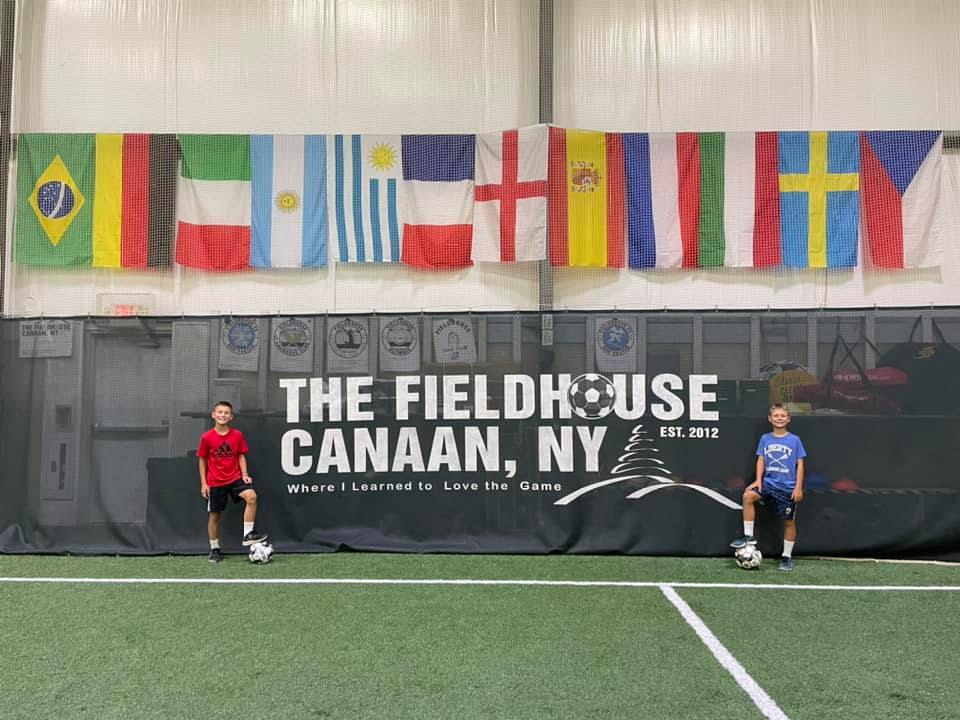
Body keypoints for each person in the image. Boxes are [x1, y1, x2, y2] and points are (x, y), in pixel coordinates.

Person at [730, 403, 806, 571]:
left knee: (788, 522)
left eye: (783, 416)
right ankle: (748, 537)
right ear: (770, 419)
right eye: (776, 416)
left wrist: (798, 488)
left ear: (788, 419)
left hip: (787, 487)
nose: (779, 418)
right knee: (748, 496)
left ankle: (786, 557)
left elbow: (800, 465)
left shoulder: (794, 440)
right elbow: (761, 460)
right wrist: (758, 481)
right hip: (768, 484)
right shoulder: (765, 438)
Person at [198, 401, 267, 563]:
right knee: (215, 516)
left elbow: (241, 455)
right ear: (213, 415)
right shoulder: (207, 437)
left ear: (231, 416)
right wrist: (204, 483)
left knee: (251, 497)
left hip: (235, 478)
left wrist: (244, 474)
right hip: (215, 482)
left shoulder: (237, 435)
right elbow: (202, 460)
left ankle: (248, 534)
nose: (223, 415)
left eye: (226, 413)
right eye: (220, 412)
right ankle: (214, 549)